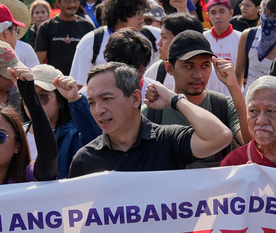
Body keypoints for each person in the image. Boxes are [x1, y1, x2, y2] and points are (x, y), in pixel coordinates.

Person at [68, 62, 233, 176]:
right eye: (91, 102)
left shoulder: (168, 141)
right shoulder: (85, 159)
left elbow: (221, 136)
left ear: (135, 98)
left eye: (107, 99)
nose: (98, 110)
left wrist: (175, 100)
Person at [143, 31, 250, 168]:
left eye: (205, 66)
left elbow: (249, 143)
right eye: (189, 66)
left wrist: (234, 87)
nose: (198, 75)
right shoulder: (152, 113)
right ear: (170, 68)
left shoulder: (223, 106)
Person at [70, 0, 156, 86]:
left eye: (142, 13)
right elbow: (79, 84)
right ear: (120, 14)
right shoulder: (91, 41)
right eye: (137, 14)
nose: (142, 18)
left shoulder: (154, 36)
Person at [35, 0, 95, 75]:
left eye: (75, 0)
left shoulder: (87, 27)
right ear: (58, 2)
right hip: (54, 83)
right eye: (67, 1)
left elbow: (93, 58)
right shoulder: (46, 27)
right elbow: (40, 62)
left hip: (80, 83)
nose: (72, 5)